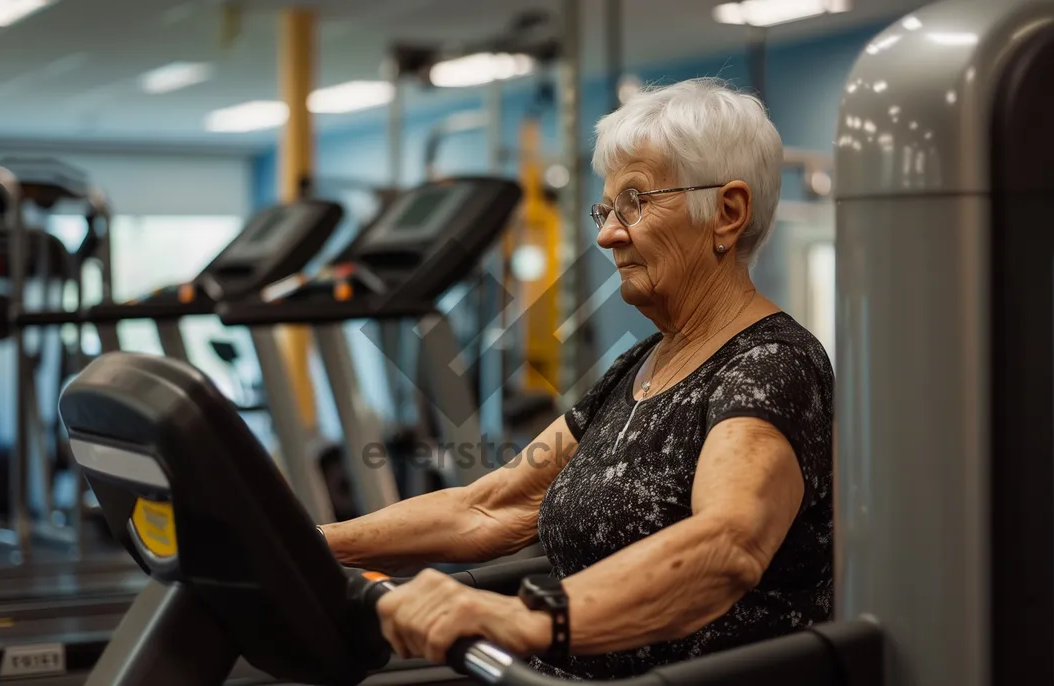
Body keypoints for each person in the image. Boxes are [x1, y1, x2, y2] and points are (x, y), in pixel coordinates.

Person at [319, 77, 834, 681]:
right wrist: (307, 544)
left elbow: (727, 545)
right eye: (606, 209)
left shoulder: (770, 367)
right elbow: (485, 508)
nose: (606, 234)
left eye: (636, 203)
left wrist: (531, 622)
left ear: (727, 212)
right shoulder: (642, 364)